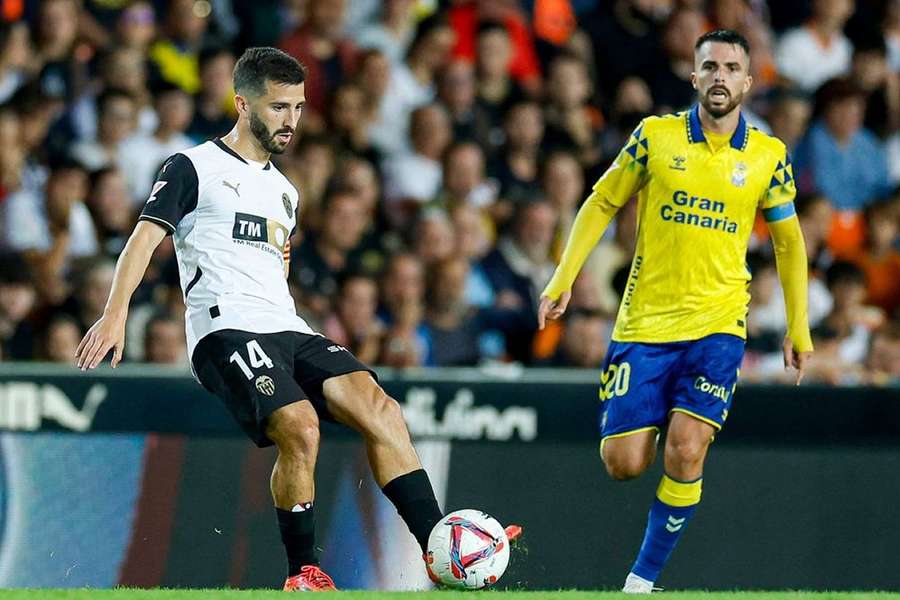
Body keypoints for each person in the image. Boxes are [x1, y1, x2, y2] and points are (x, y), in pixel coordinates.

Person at [73, 47, 519, 592]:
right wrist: (115, 315)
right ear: (243, 103)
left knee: (381, 409)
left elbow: (275, 263)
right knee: (301, 426)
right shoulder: (193, 167)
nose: (292, 120)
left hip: (286, 324)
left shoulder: (286, 192)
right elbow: (143, 240)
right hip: (224, 328)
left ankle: (438, 545)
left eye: (300, 107)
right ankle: (302, 572)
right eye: (280, 107)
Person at [538, 30, 813, 592]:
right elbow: (603, 200)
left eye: (731, 67)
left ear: (748, 81)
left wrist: (797, 325)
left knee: (688, 450)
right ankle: (661, 410)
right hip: (644, 324)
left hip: (719, 325)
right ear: (693, 77)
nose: (719, 76)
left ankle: (642, 580)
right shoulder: (655, 137)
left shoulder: (768, 155)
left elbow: (788, 243)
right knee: (623, 463)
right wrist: (563, 277)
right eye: (709, 66)